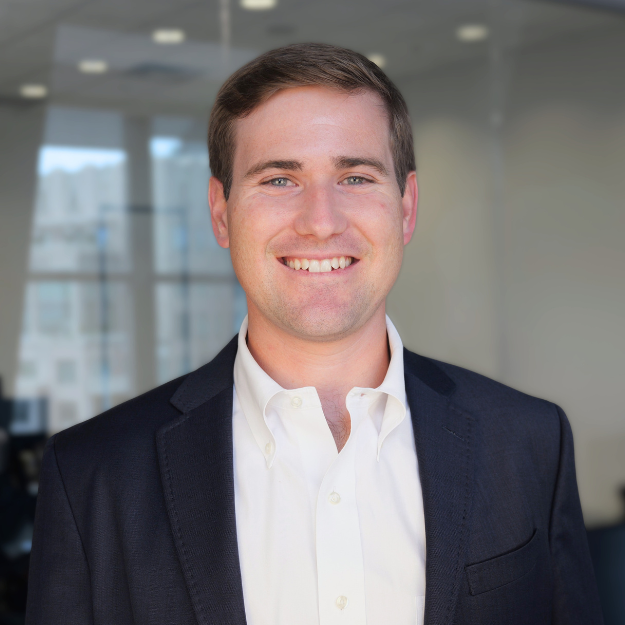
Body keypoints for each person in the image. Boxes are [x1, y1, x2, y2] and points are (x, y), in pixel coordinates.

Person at [26, 43, 602, 625]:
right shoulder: (93, 474)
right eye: (280, 179)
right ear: (221, 212)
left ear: (406, 207)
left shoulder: (529, 441)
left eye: (355, 176)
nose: (321, 221)